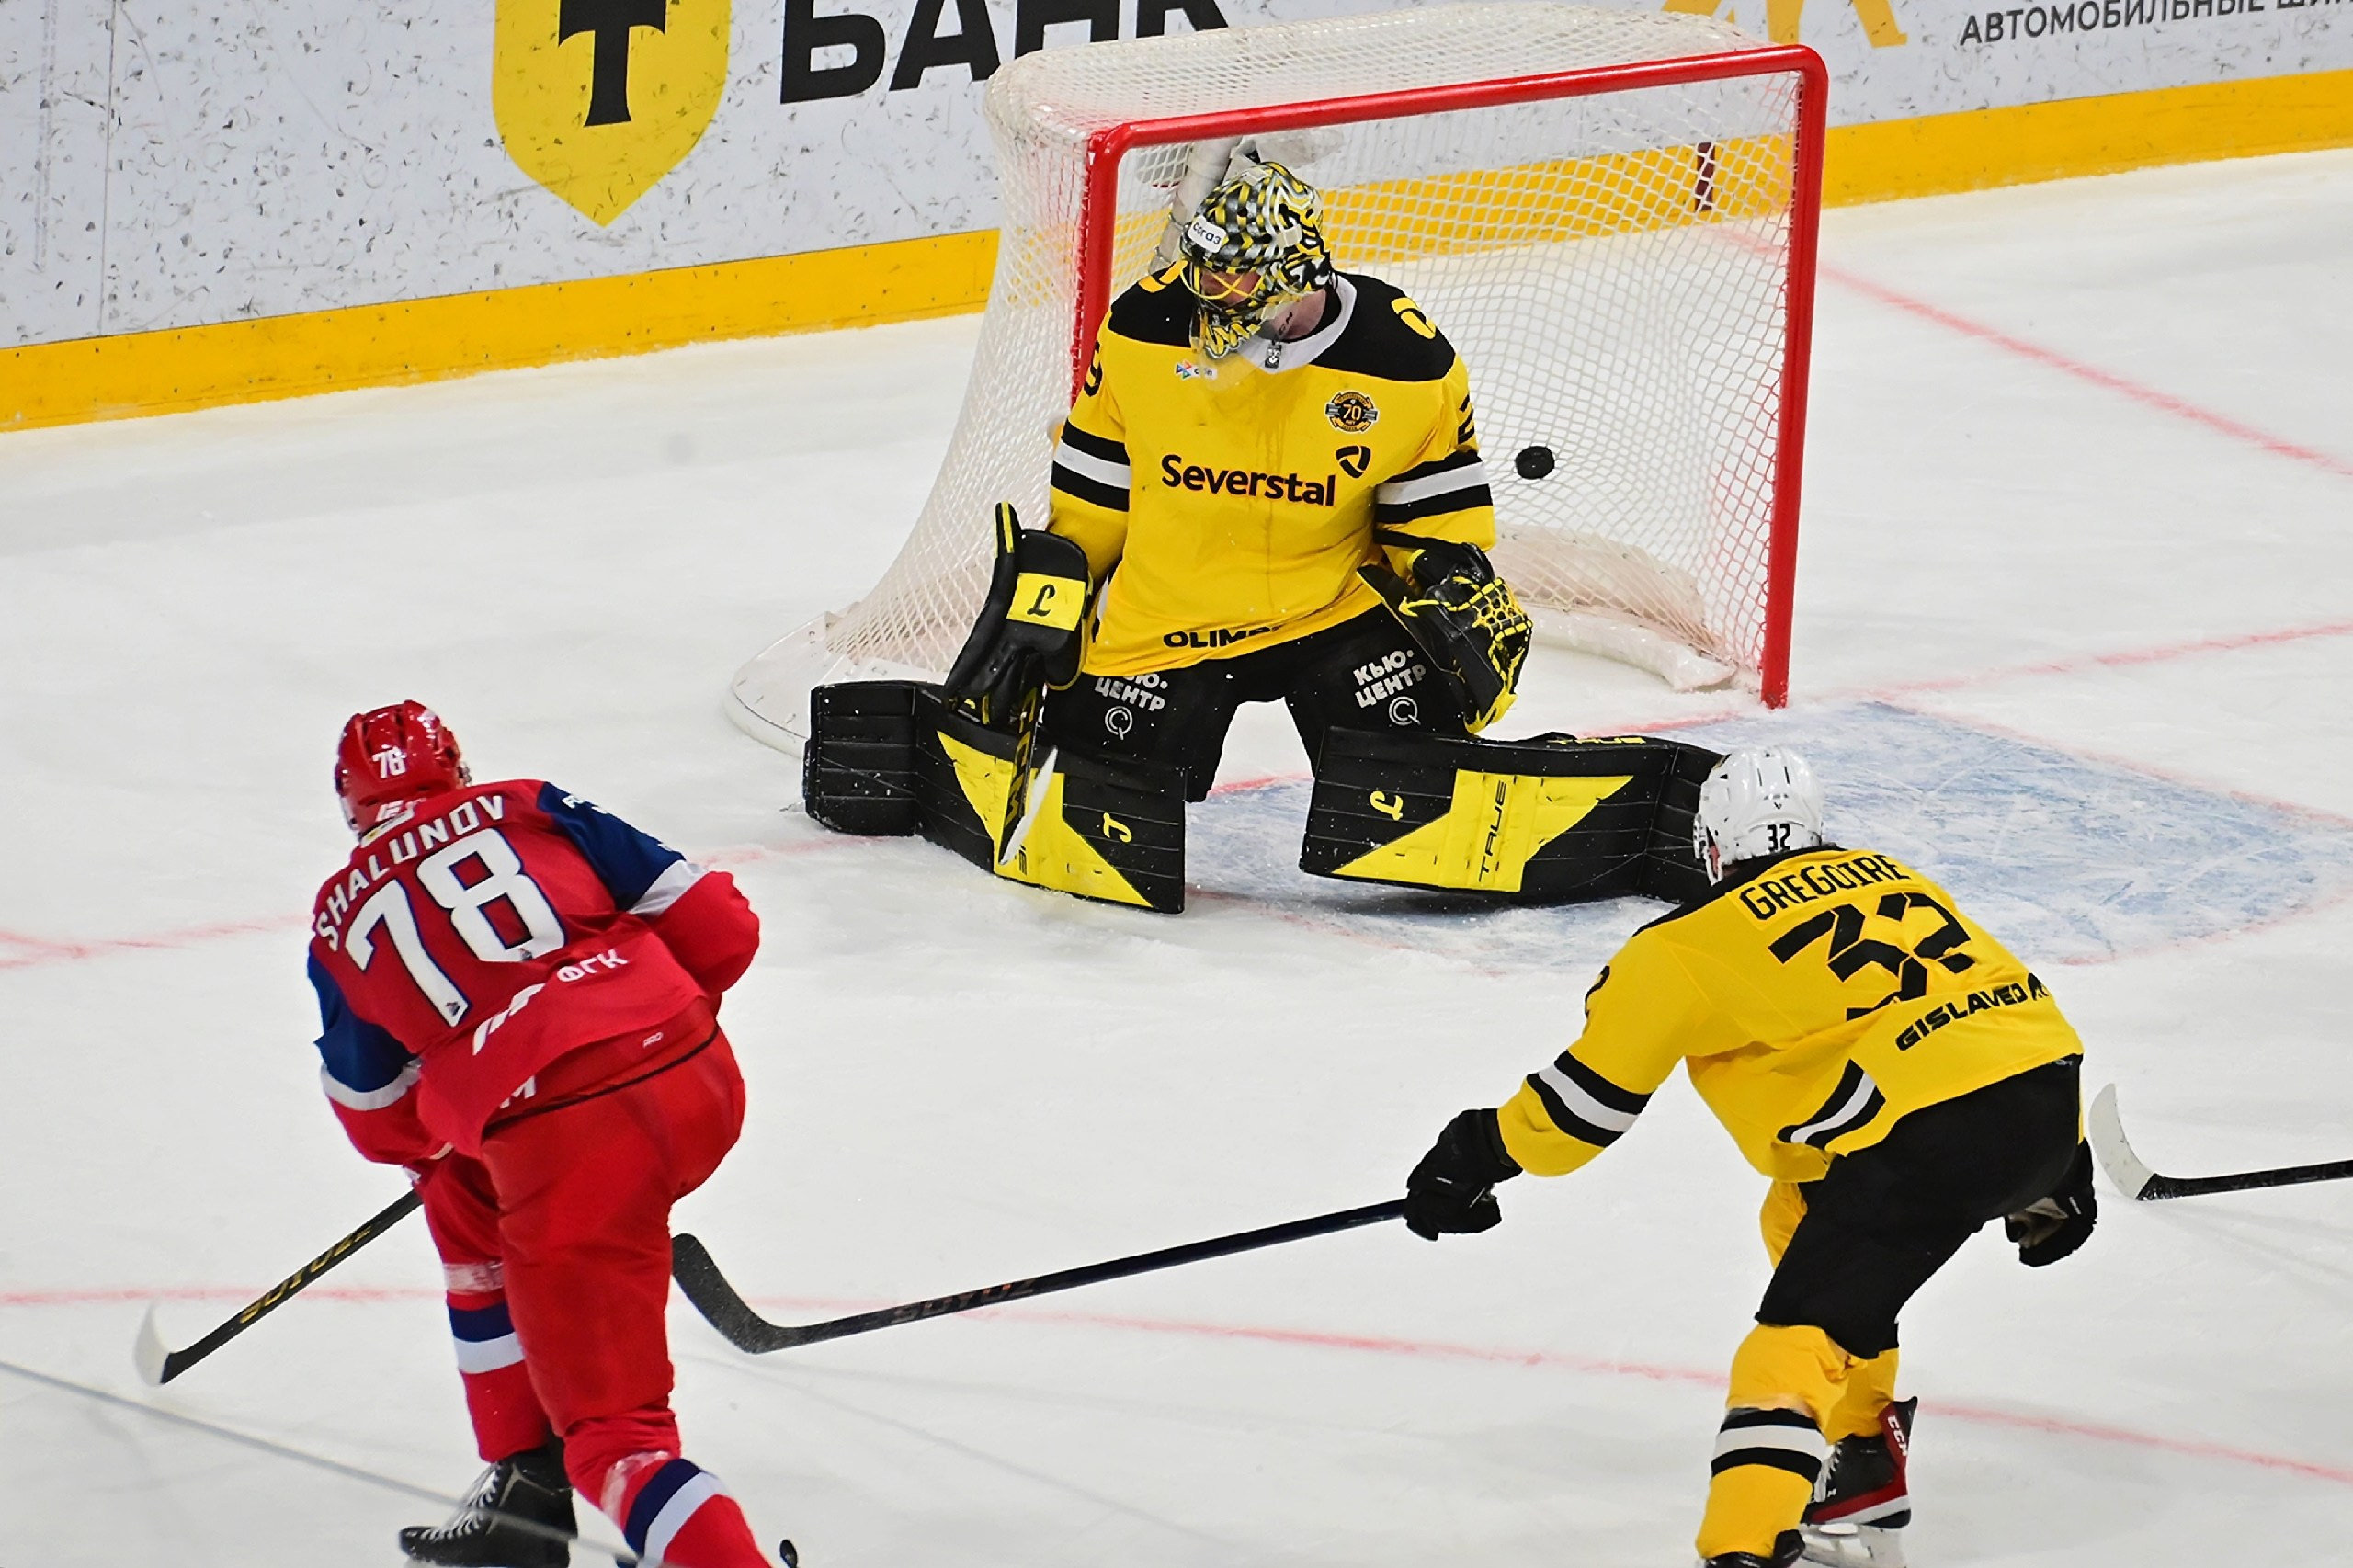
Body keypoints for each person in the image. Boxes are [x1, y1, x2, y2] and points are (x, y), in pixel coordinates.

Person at [1399, 748, 2097, 1568]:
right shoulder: (1892, 877)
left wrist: (1477, 1154)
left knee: (1794, 1338)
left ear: (1710, 847)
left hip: (1929, 1137)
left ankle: (1741, 1548)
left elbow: (1583, 1110)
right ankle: (1863, 1458)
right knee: (1800, 1214)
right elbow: (1986, 1012)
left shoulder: (1680, 946)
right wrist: (2063, 1158)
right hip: (2048, 1096)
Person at [306, 701, 778, 1568]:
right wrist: (632, 1014)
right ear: (457, 768)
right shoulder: (529, 804)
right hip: (698, 1081)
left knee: (616, 1443)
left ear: (349, 805)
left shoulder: (340, 916)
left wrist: (482, 1090)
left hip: (575, 1156)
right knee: (459, 1189)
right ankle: (524, 1486)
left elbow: (379, 1123)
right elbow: (723, 930)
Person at [1036, 153, 1534, 800]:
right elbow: (1096, 483)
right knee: (1093, 805)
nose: (1211, 294)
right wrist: (1062, 578)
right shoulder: (1142, 326)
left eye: (1235, 280)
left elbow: (1429, 506)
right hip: (1165, 616)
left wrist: (1451, 577)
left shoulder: (1405, 360)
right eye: (1205, 272)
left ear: (1298, 276)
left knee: (1415, 798)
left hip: (1333, 610)